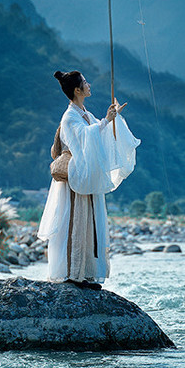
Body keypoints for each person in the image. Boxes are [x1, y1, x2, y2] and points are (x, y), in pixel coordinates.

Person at [37, 70, 140, 289]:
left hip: (87, 176)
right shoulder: (70, 117)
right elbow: (84, 138)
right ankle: (74, 273)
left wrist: (113, 119)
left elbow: (99, 133)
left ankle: (88, 273)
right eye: (85, 82)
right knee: (75, 222)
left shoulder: (85, 114)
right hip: (76, 177)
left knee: (90, 224)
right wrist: (105, 122)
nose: (89, 84)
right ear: (77, 90)